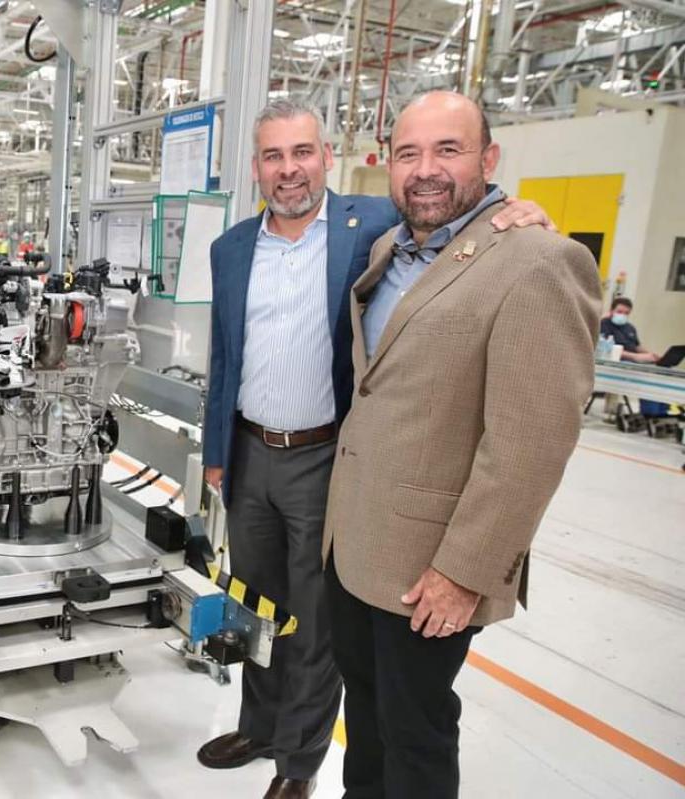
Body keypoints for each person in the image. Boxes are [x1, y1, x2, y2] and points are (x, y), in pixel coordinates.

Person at [199, 98, 551, 799]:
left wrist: (522, 212)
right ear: (255, 167)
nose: (289, 169)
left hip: (327, 459)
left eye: (303, 152)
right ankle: (259, 724)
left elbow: (454, 210)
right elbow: (223, 355)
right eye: (273, 156)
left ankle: (297, 764)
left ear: (327, 156)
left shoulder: (374, 225)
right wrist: (217, 450)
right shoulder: (231, 248)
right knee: (255, 603)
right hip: (249, 452)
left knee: (315, 622)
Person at [322, 90, 600, 798]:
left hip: (430, 565)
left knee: (414, 731)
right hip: (354, 543)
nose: (425, 170)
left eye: (448, 149)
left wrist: (465, 571)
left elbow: (531, 441)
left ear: (489, 159)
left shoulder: (538, 261)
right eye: (408, 153)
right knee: (367, 719)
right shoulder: (389, 249)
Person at [600, 297, 660, 364]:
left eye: (626, 313)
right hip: (615, 362)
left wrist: (650, 355)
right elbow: (606, 349)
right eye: (619, 312)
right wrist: (635, 357)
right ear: (611, 311)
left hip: (633, 362)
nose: (622, 315)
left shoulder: (630, 327)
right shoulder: (604, 324)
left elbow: (637, 346)